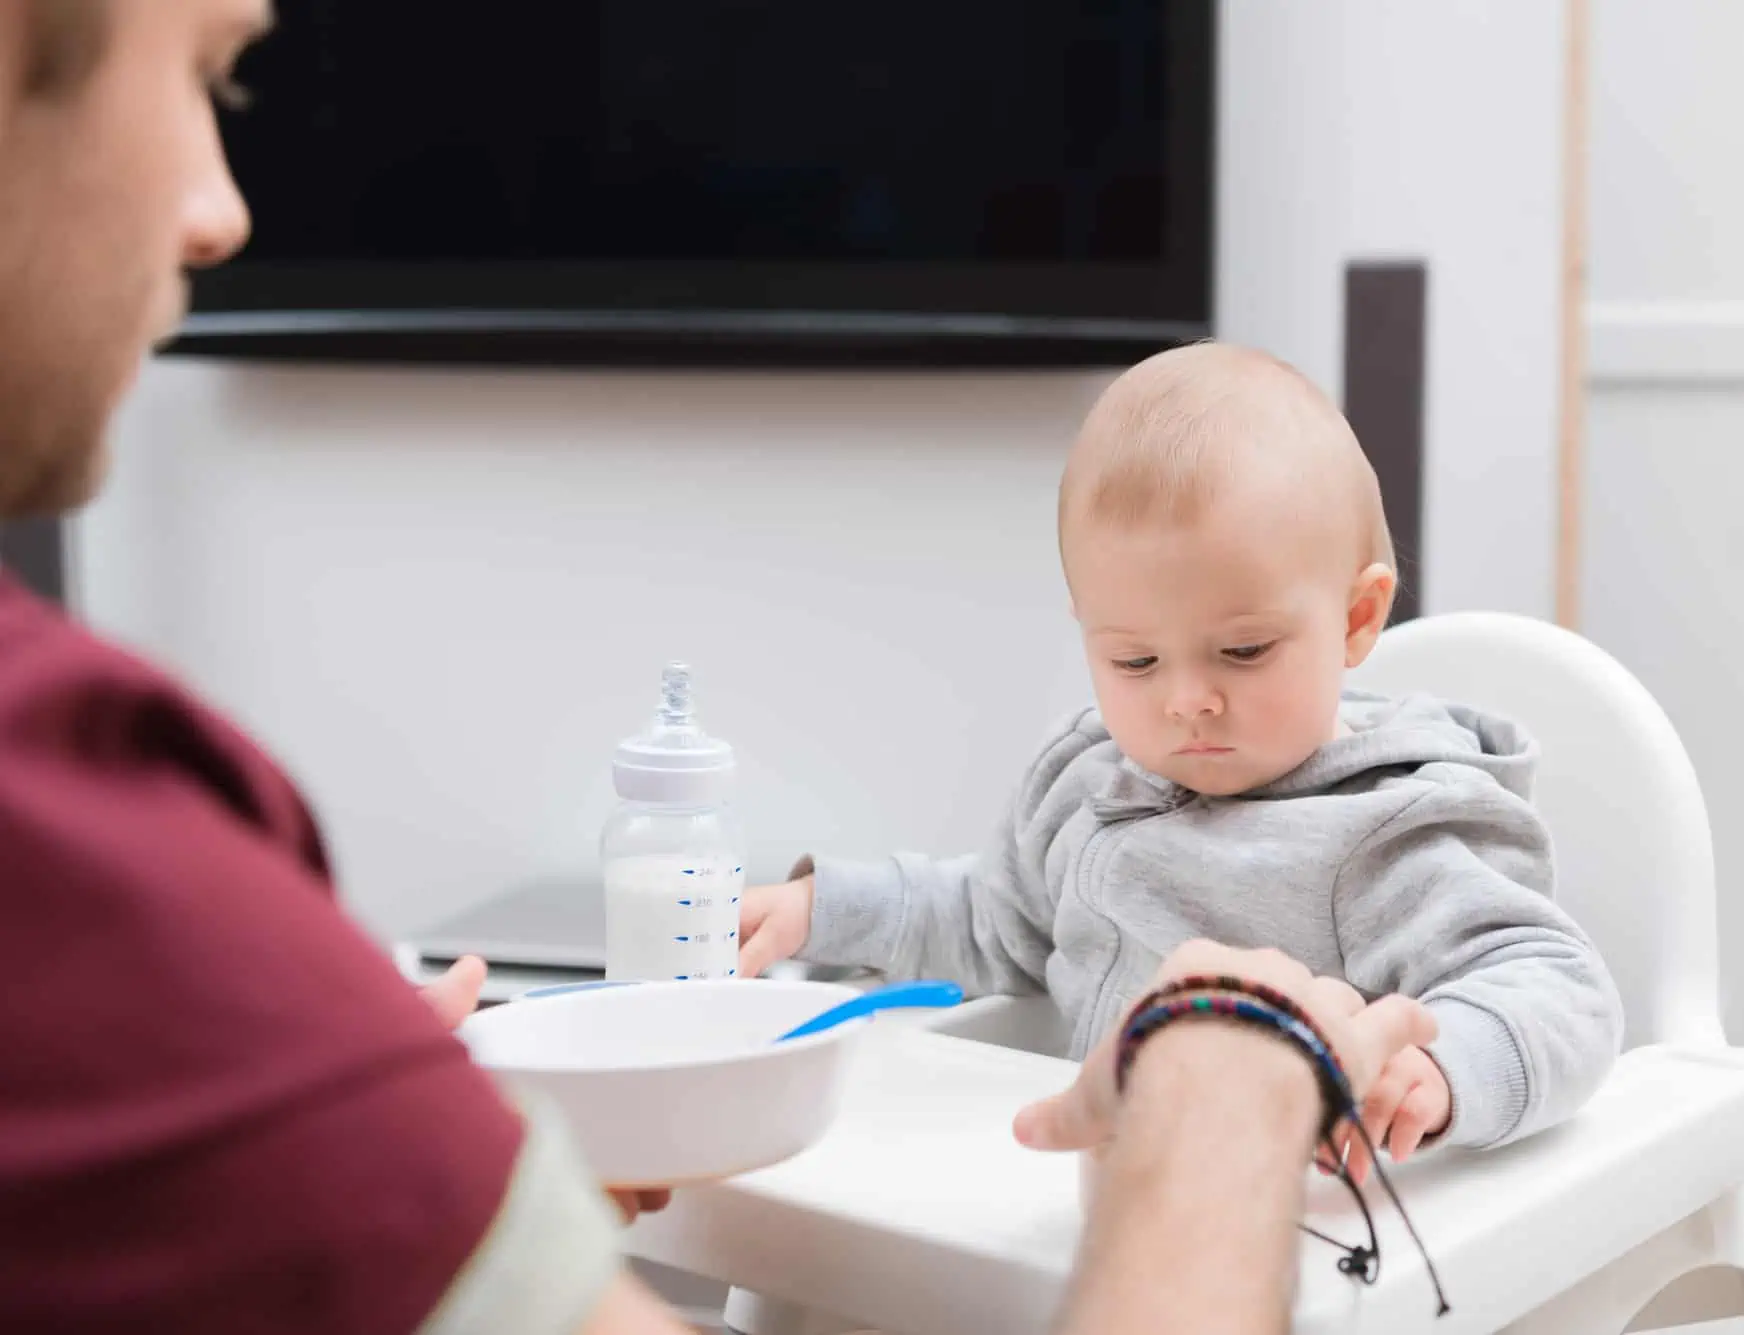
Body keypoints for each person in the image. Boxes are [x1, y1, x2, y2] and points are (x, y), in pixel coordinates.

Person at [0, 3, 1437, 1333]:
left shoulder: (1407, 812)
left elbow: (1529, 990)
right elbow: (988, 908)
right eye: (198, 76)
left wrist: (386, 1139)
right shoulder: (64, 826)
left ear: (1359, 617)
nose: (222, 207)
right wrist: (1227, 1075)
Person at [742, 342, 1624, 1174]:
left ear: (1357, 620)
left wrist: (1447, 1068)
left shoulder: (1382, 831)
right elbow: (992, 923)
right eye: (1134, 661)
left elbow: (1558, 985)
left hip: (1280, 1224)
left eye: (1242, 652)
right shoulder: (1087, 780)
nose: (1185, 698)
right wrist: (825, 907)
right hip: (1087, 1187)